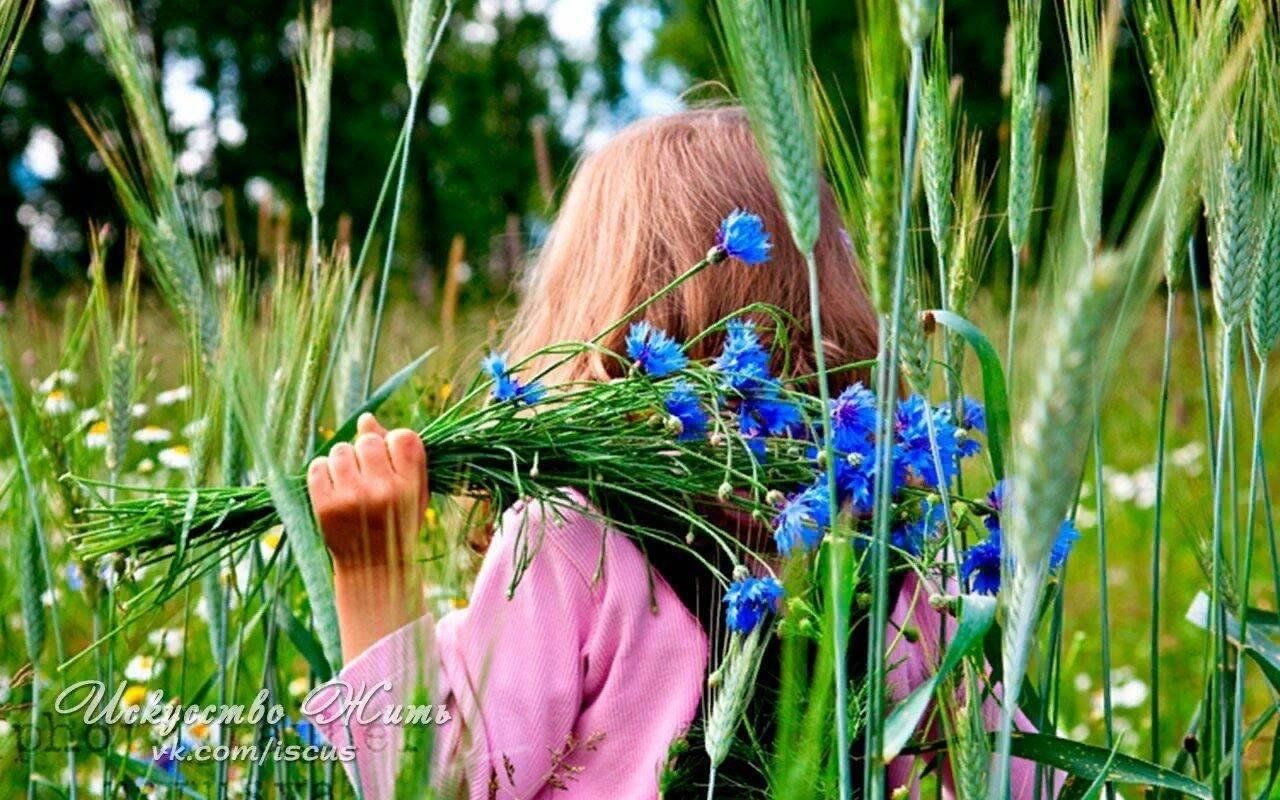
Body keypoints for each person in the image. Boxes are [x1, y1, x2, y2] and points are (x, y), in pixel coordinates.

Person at [302, 107, 1048, 799]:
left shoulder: (570, 534)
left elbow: (445, 783)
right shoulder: (901, 546)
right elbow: (1022, 781)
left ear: (591, 306)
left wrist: (372, 576)